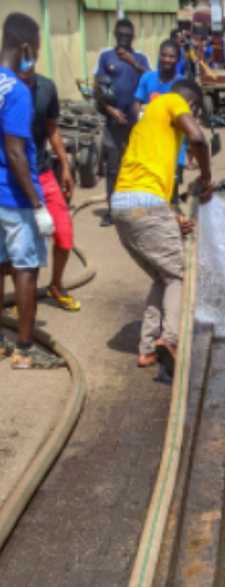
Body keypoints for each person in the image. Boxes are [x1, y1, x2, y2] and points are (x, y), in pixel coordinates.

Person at [111, 79, 213, 371]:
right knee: (179, 275)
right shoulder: (173, 102)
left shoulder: (149, 119)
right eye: (194, 112)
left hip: (122, 206)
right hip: (144, 207)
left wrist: (171, 216)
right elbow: (199, 138)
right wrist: (206, 178)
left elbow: (148, 181)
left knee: (162, 276)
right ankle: (171, 338)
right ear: (191, 105)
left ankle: (147, 349)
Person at [0, 13, 54, 369]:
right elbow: (16, 150)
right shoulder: (17, 91)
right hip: (16, 199)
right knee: (26, 269)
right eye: (34, 48)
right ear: (24, 47)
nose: (34, 54)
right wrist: (37, 205)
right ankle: (24, 348)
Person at [20, 55, 79, 312]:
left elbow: (52, 128)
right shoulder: (5, 90)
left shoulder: (46, 87)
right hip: (14, 178)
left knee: (64, 236)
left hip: (44, 174)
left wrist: (65, 166)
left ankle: (56, 285)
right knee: (19, 246)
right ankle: (23, 298)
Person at [95, 18, 149, 226]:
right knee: (113, 169)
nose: (124, 39)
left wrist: (131, 62)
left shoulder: (140, 59)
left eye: (128, 35)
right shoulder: (105, 57)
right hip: (114, 123)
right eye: (121, 35)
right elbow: (99, 89)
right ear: (115, 35)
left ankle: (133, 210)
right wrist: (111, 110)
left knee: (136, 166)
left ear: (133, 37)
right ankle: (112, 210)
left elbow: (152, 78)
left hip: (136, 123)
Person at [134, 40, 188, 201]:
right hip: (150, 145)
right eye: (164, 55)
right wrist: (140, 118)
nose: (167, 59)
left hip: (175, 146)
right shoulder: (147, 78)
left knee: (171, 190)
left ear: (177, 59)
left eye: (171, 56)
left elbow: (188, 115)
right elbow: (137, 102)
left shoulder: (182, 84)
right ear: (159, 56)